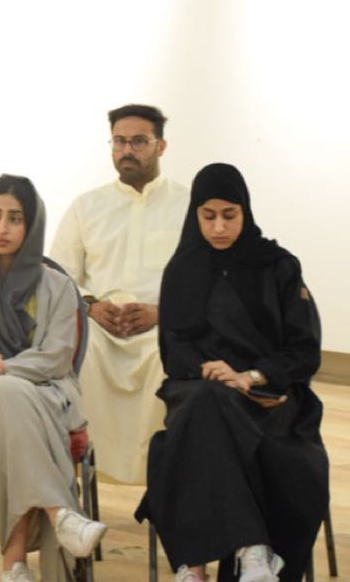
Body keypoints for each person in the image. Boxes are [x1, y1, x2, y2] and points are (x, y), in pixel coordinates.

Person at [136, 164, 327, 582]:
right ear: (195, 214)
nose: (219, 227)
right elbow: (174, 352)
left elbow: (305, 351)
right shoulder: (182, 270)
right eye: (208, 216)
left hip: (267, 400)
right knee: (209, 401)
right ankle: (254, 551)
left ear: (246, 211)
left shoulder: (278, 266)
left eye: (229, 215)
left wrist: (251, 376)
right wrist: (210, 370)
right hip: (198, 387)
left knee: (186, 441)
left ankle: (193, 565)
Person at [0, 174, 107, 582]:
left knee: (8, 403)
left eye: (14, 219)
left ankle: (14, 565)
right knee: (7, 398)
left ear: (32, 226)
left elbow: (56, 357)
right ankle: (60, 514)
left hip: (47, 391)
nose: (1, 228)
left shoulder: (58, 287)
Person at [48, 103, 189, 484]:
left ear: (161, 146)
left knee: (168, 358)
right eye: (119, 141)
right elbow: (58, 273)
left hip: (162, 325)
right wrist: (91, 306)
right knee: (81, 356)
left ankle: (162, 479)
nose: (127, 150)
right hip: (100, 326)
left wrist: (163, 313)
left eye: (139, 141)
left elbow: (202, 281)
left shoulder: (187, 206)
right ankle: (80, 468)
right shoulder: (86, 207)